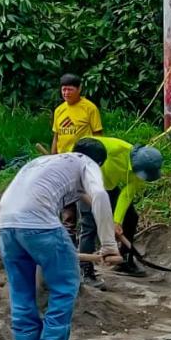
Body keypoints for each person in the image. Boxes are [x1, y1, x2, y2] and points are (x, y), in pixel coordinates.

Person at [0, 140, 120, 340]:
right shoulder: (87, 163)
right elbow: (100, 196)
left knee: (21, 290)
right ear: (99, 162)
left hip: (5, 224)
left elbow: (78, 194)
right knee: (65, 283)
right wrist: (109, 246)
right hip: (39, 224)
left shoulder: (43, 162)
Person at [77, 136, 163, 286]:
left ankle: (124, 260)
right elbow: (83, 150)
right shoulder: (114, 150)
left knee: (131, 217)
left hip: (109, 186)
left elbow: (127, 193)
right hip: (88, 184)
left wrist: (117, 221)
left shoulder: (139, 170)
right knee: (90, 225)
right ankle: (86, 271)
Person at [51, 73, 104, 245]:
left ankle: (88, 243)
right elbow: (56, 137)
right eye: (63, 89)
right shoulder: (59, 110)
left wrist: (98, 160)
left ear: (79, 89)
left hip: (84, 164)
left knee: (86, 207)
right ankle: (70, 245)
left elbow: (98, 136)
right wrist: (52, 159)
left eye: (70, 89)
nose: (66, 93)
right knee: (67, 208)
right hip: (63, 164)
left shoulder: (89, 108)